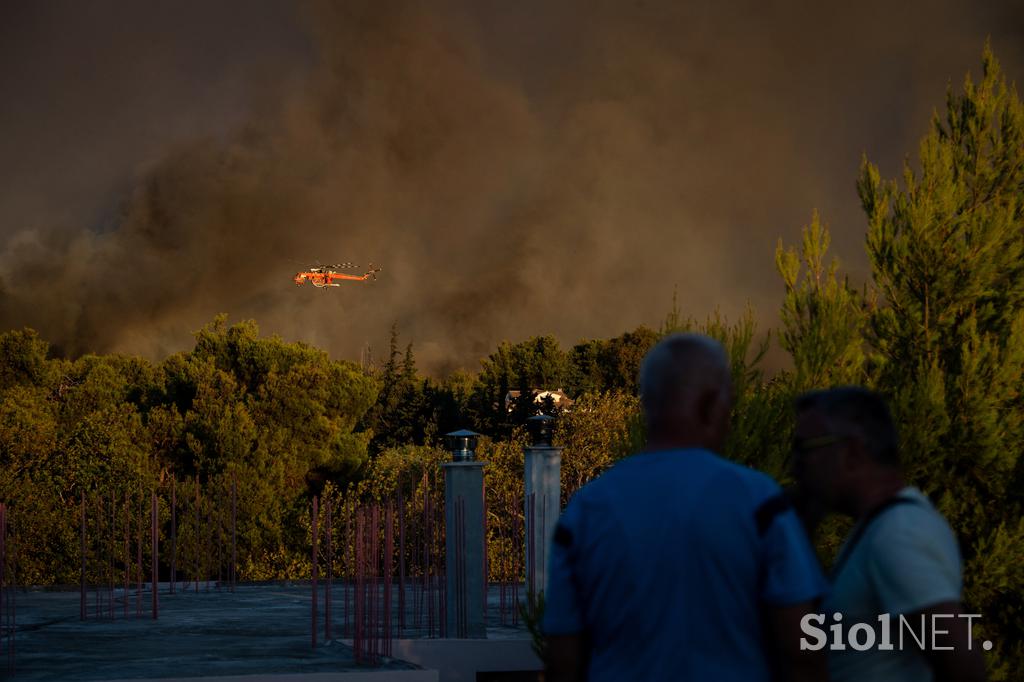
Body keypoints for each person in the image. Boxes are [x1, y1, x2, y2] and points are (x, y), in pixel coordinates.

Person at [543, 333, 829, 682]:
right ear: (711, 405)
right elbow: (801, 647)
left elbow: (562, 656)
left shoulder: (586, 510)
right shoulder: (759, 502)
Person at [791, 387, 986, 682]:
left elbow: (962, 662)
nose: (795, 467)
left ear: (853, 452)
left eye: (805, 450)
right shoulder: (880, 528)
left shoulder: (898, 533)